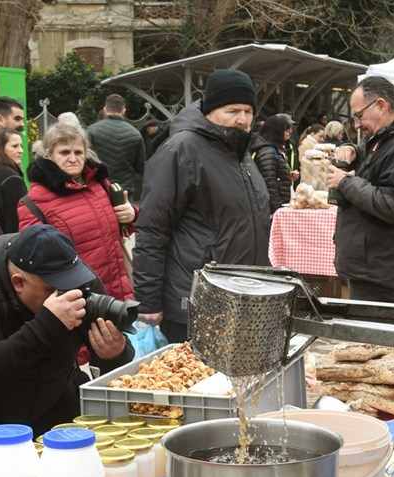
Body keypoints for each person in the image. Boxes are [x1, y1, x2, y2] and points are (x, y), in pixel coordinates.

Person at [0, 224, 134, 437]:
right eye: (52, 290)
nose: (64, 294)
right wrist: (48, 324)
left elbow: (112, 366)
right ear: (18, 282)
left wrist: (115, 354)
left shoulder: (72, 275)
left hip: (59, 403)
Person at [134, 68, 270, 343]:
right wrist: (148, 301)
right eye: (232, 110)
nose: (242, 119)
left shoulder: (240, 153)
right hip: (197, 302)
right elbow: (151, 229)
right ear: (209, 111)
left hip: (240, 298)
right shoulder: (181, 150)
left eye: (248, 110)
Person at [325, 76, 394, 303]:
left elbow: (389, 204)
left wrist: (345, 182)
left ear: (381, 105)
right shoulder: (387, 139)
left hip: (379, 271)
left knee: (371, 337)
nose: (356, 125)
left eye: (359, 116)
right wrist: (352, 150)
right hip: (371, 266)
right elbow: (375, 170)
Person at [17, 122, 136, 304]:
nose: (73, 158)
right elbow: (35, 263)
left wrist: (130, 213)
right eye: (64, 152)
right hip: (78, 303)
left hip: (119, 296)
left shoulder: (99, 184)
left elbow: (123, 227)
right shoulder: (34, 202)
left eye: (78, 152)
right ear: (49, 155)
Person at [87, 94, 146, 202]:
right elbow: (141, 167)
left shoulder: (92, 131)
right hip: (125, 190)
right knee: (127, 217)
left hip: (99, 188)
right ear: (124, 111)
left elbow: (87, 162)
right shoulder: (135, 134)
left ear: (104, 110)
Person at [250, 113, 294, 211]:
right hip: (274, 209)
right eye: (286, 129)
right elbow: (269, 181)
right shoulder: (268, 151)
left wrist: (286, 175)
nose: (290, 131)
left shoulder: (272, 149)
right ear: (277, 131)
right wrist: (278, 208)